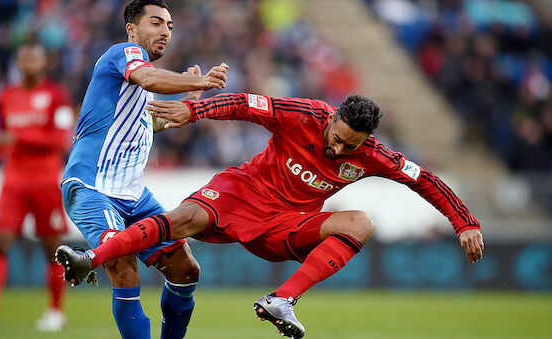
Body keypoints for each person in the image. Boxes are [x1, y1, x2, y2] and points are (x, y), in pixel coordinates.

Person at [58, 92, 484, 338]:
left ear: (366, 140)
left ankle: (282, 300)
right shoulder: (302, 115)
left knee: (360, 222)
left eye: (350, 146)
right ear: (331, 117)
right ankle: (88, 259)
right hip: (241, 192)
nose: (338, 150)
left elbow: (425, 179)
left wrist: (464, 221)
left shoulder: (374, 156)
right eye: (336, 138)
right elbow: (245, 103)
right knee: (184, 219)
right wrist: (195, 111)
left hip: (285, 224)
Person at [54, 1, 228, 338]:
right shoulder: (124, 53)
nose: (165, 31)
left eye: (170, 26)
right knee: (124, 266)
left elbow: (147, 123)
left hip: (133, 195)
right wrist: (200, 82)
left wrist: (188, 98)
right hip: (93, 187)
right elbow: (148, 78)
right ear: (132, 28)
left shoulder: (131, 92)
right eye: (156, 22)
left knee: (185, 269)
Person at [0, 41, 74, 331]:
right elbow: (3, 137)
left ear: (43, 62)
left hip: (44, 183)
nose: (29, 61)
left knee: (52, 248)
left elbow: (60, 141)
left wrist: (21, 138)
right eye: (24, 56)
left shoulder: (57, 96)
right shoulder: (6, 96)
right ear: (18, 61)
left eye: (34, 56)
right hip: (14, 183)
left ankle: (55, 312)